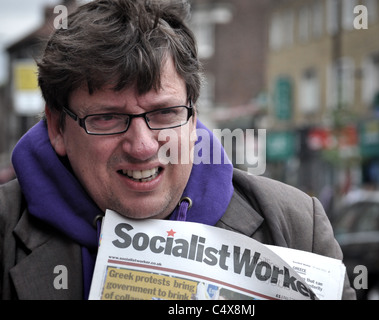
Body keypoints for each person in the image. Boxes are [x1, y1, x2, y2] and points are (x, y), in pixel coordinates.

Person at [0, 0, 356, 300]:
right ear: (56, 127)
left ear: (192, 116)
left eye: (164, 113)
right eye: (107, 118)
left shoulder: (296, 225)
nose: (141, 146)